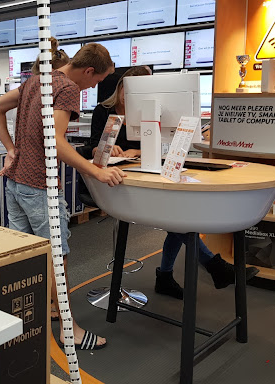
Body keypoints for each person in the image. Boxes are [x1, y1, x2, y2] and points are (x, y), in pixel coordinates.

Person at [0, 39, 125, 350]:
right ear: (88, 71)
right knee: (55, 260)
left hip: (16, 182)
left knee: (28, 256)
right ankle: (69, 329)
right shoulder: (67, 87)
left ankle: (34, 313)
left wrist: (11, 150)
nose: (94, 87)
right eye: (98, 80)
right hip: (39, 186)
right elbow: (57, 143)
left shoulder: (36, 80)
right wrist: (97, 172)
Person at [89, 66, 258, 300]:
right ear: (120, 89)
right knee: (177, 222)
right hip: (116, 179)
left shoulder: (154, 110)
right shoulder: (103, 111)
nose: (129, 98)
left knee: (177, 220)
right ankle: (208, 267)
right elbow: (92, 148)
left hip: (145, 173)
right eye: (127, 92)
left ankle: (169, 276)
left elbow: (161, 145)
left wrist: (138, 151)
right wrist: (106, 148)